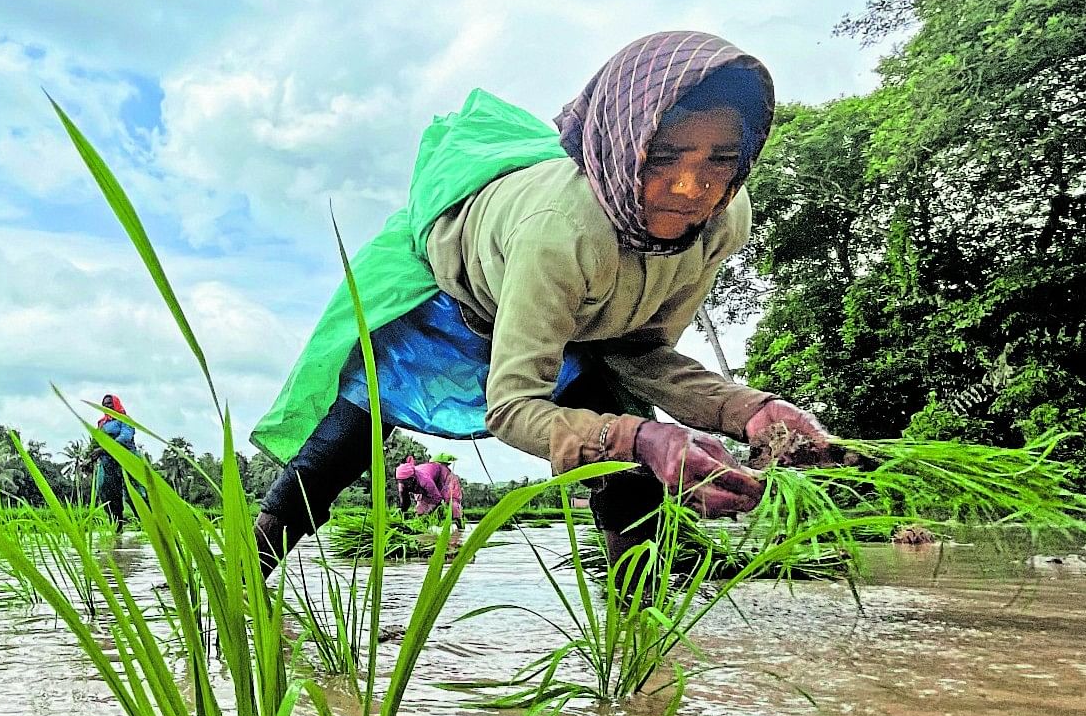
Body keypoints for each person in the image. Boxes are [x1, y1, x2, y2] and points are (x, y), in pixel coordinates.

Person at [250, 31, 827, 573]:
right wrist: (643, 437)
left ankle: (637, 648)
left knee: (634, 473)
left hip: (572, 319)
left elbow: (637, 352)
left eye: (719, 161)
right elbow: (513, 405)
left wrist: (747, 410)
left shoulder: (722, 220)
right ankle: (239, 584)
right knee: (339, 448)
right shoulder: (559, 233)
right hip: (444, 303)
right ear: (625, 150)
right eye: (662, 158)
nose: (689, 187)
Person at [94, 394, 137, 527]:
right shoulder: (101, 423)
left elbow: (125, 437)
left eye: (110, 403)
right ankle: (116, 524)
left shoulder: (124, 419)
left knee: (133, 492)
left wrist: (103, 449)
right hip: (108, 463)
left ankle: (144, 521)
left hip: (125, 459)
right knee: (107, 493)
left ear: (116, 404)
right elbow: (97, 442)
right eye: (104, 404)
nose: (107, 406)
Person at [408, 454, 465, 530]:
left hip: (425, 492)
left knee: (422, 511)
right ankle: (460, 528)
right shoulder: (446, 474)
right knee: (454, 506)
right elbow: (452, 494)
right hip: (431, 491)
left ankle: (419, 529)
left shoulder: (423, 469)